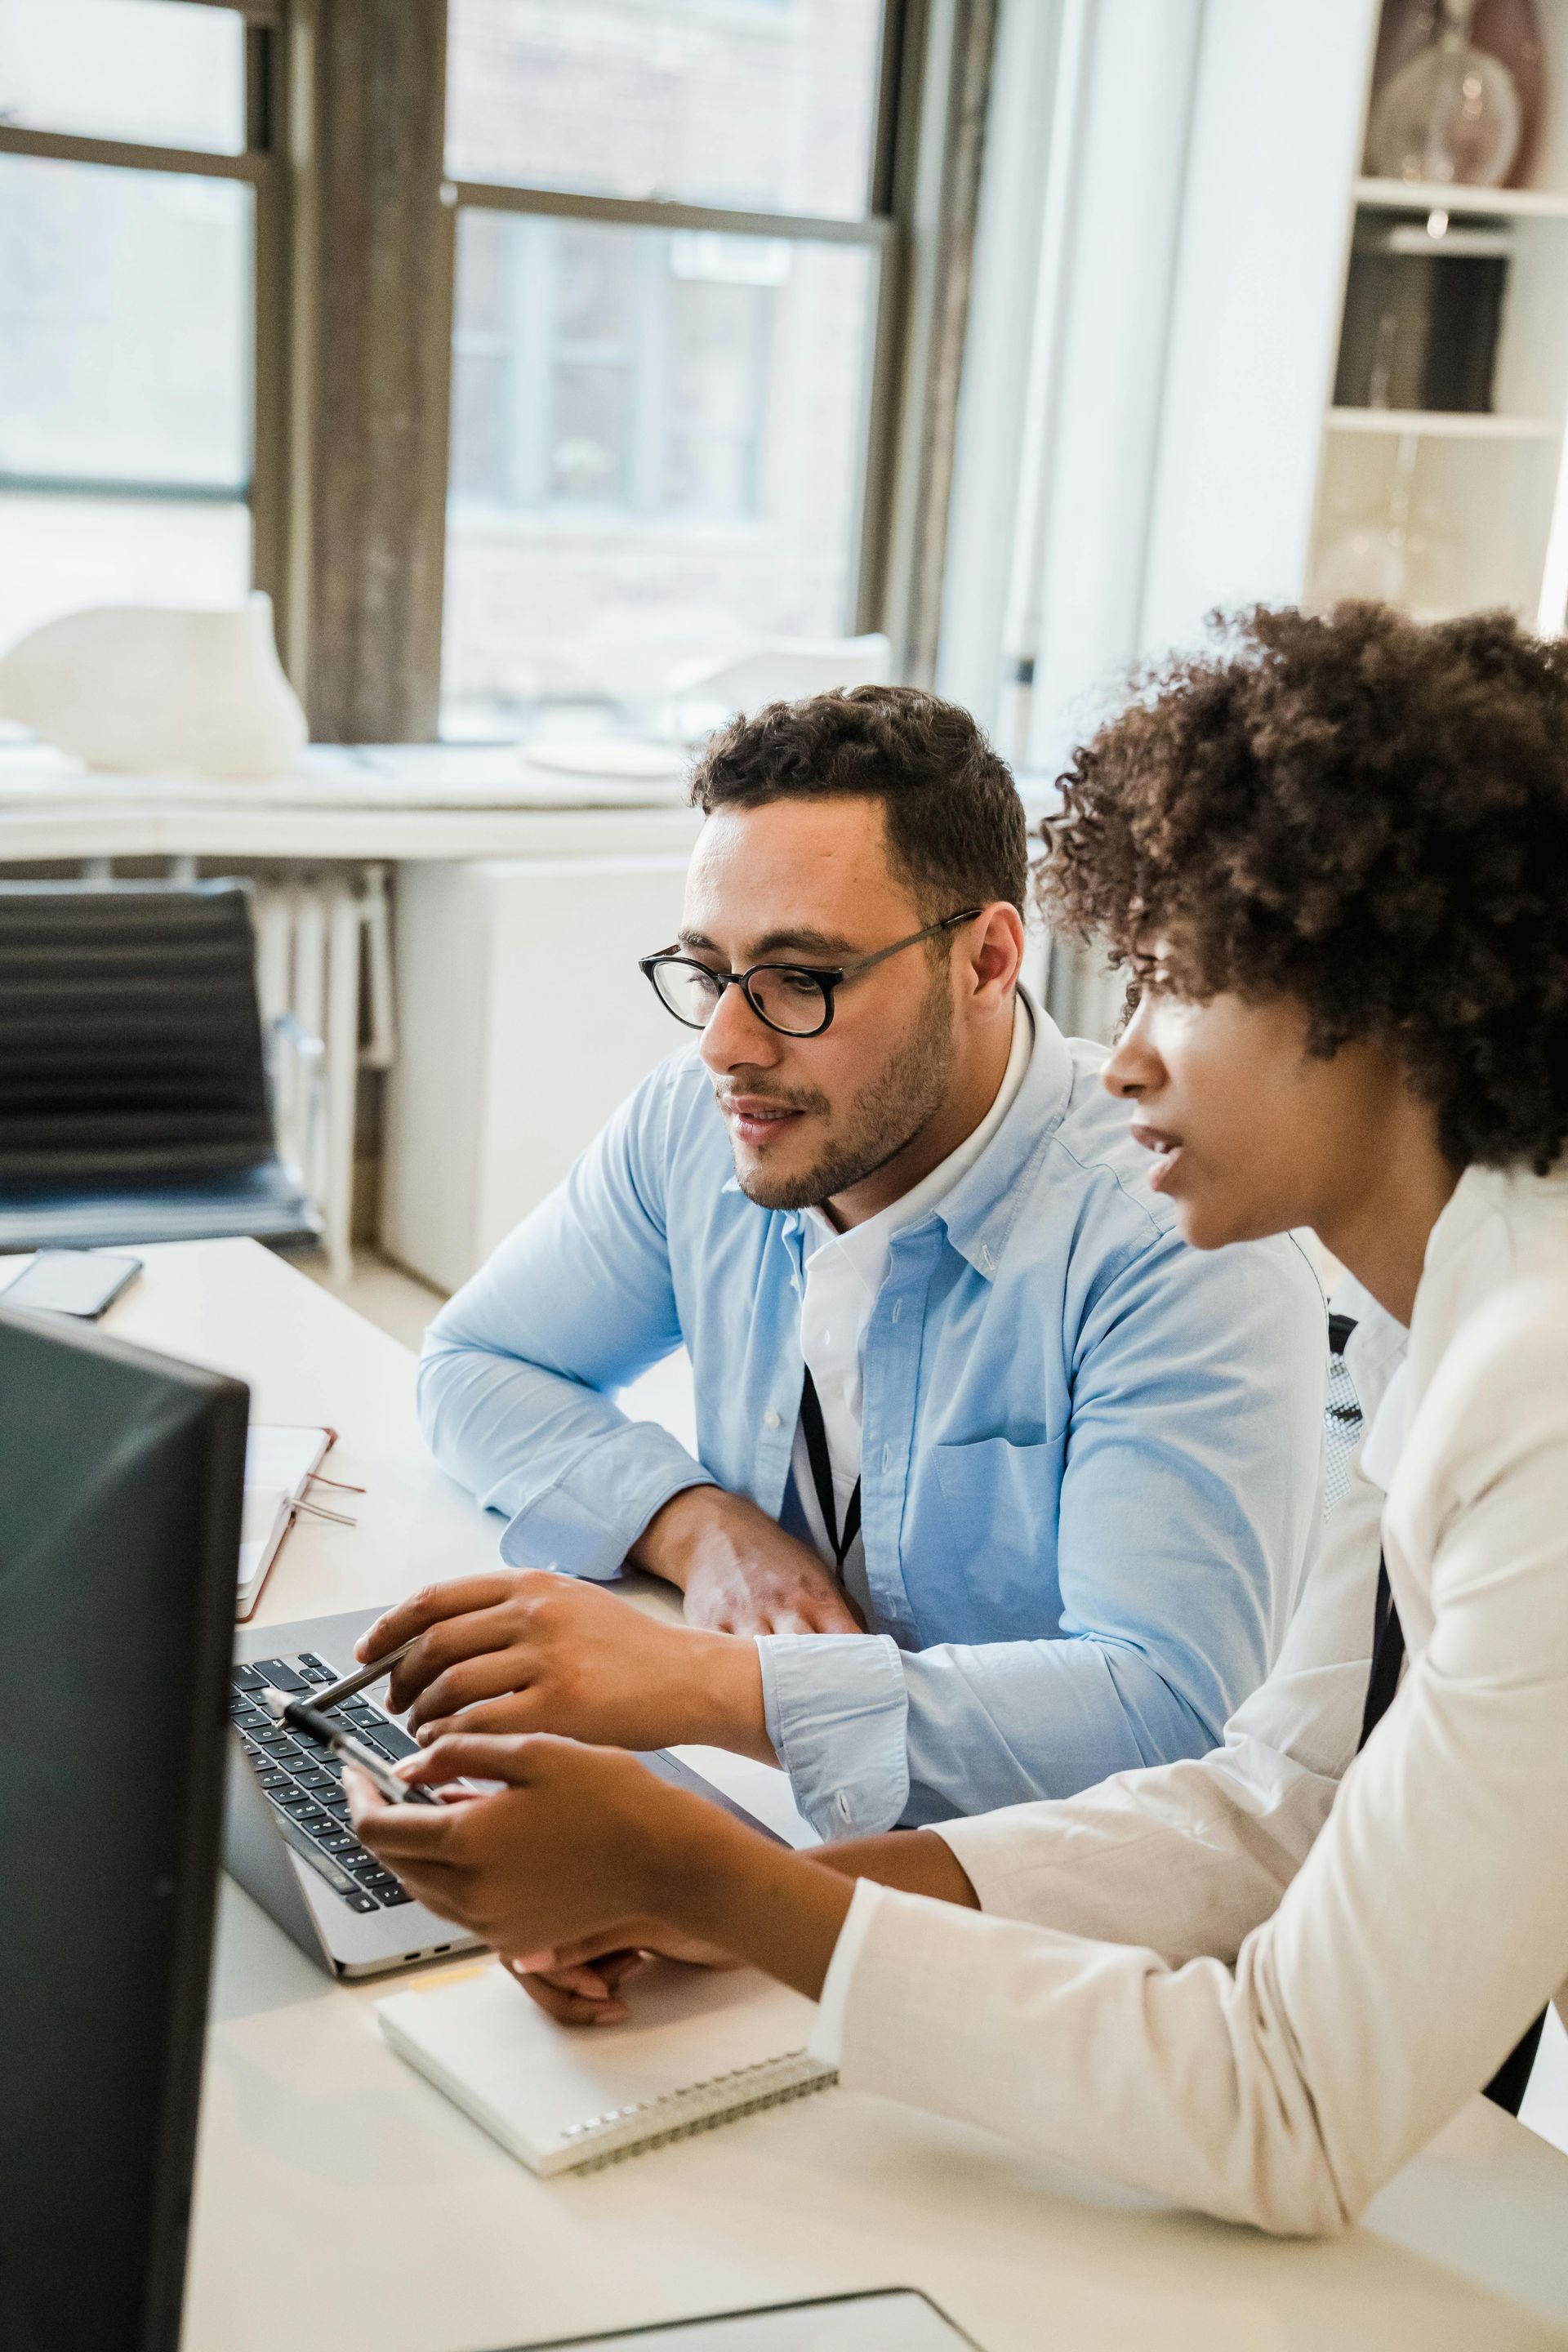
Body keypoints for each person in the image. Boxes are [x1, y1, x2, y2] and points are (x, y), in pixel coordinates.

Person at [350, 604, 1568, 2237]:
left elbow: (1284, 2101)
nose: (1127, 1057)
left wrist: (718, 1872)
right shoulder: (1438, 1335)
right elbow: (1274, 1812)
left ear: (1392, 1009)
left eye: (1180, 982)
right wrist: (750, 1899)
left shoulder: (1530, 1392)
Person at [384, 685, 1327, 1842]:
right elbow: (477, 1363)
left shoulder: (1176, 1240)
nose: (727, 1044)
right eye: (708, 969)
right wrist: (698, 1527)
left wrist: (696, 1685)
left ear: (986, 961)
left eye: (801, 977)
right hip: (778, 1817)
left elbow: (1167, 1716)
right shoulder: (704, 1120)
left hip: (1040, 1907)